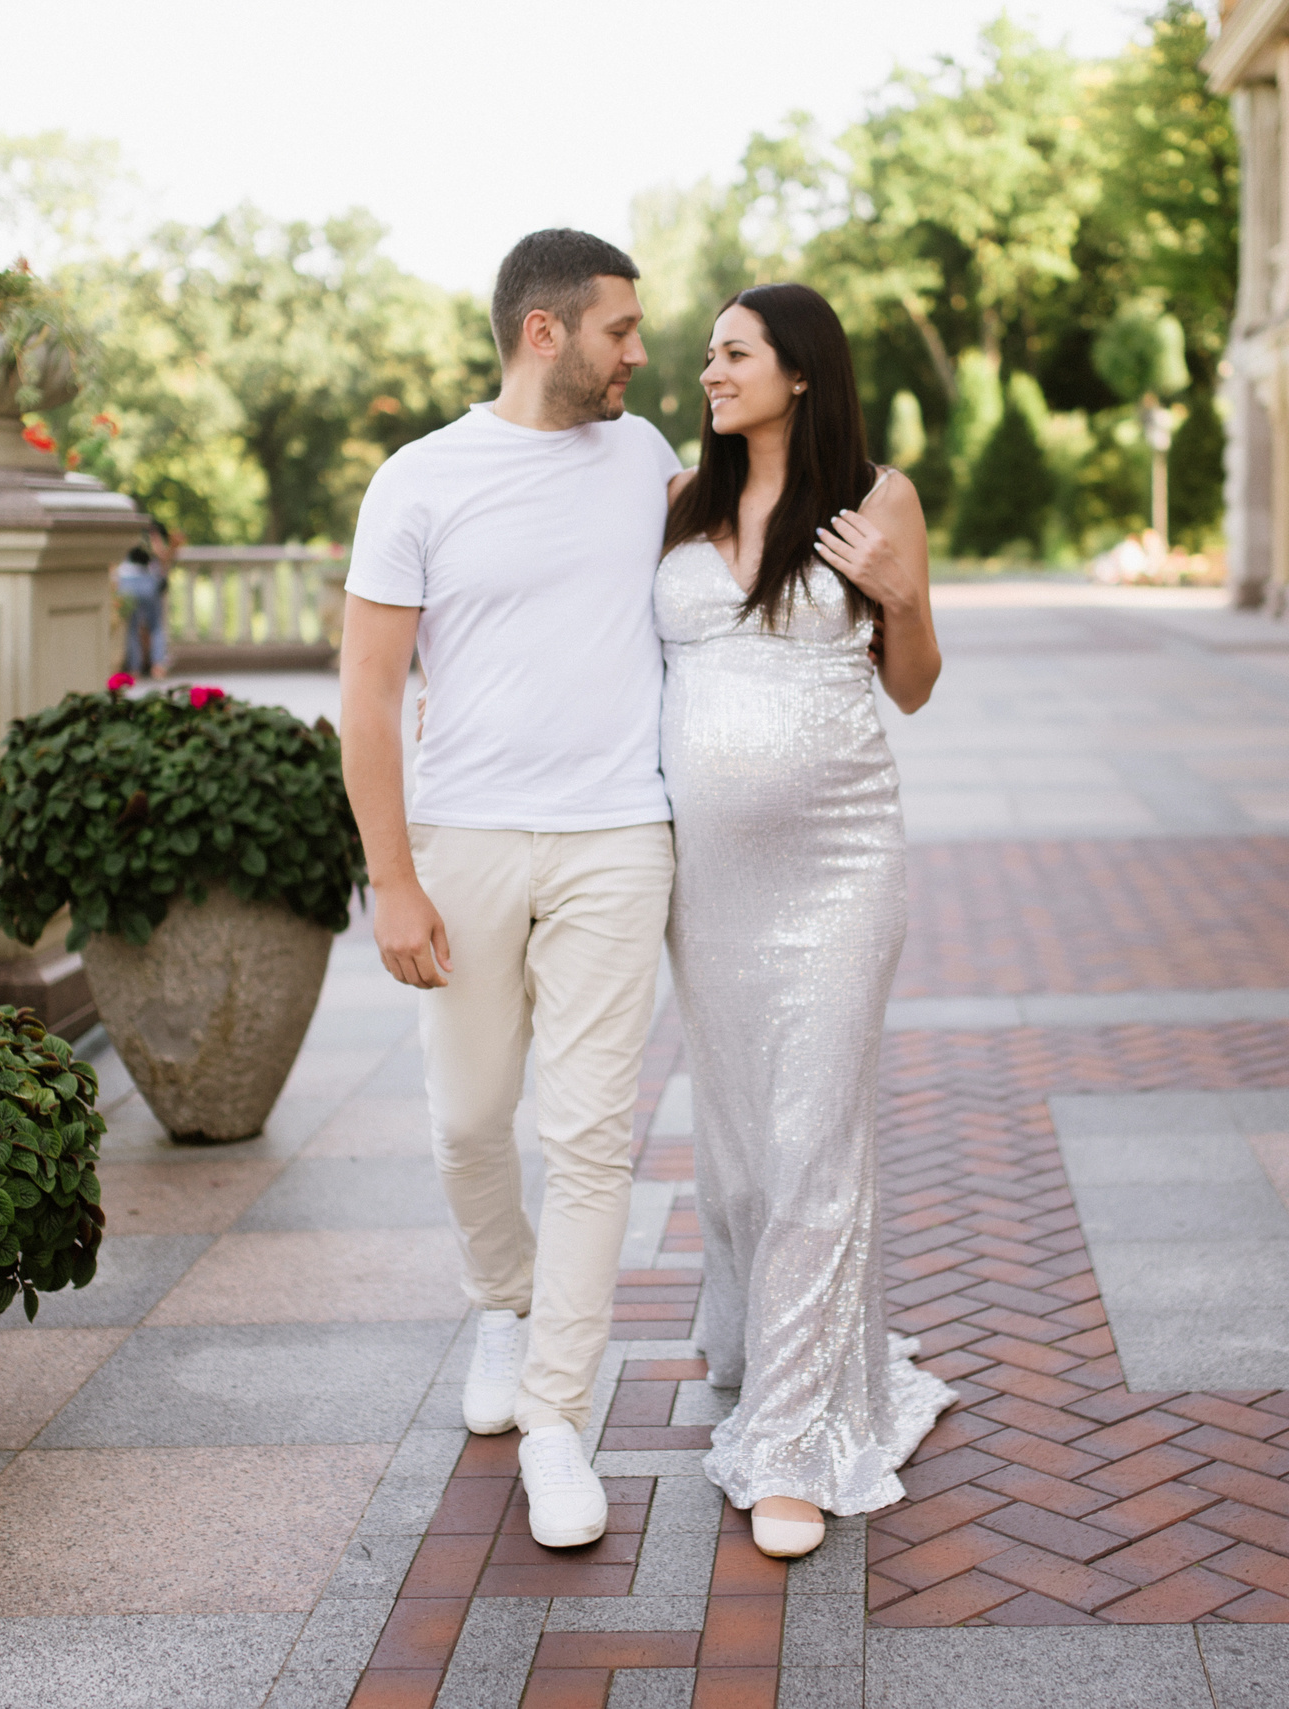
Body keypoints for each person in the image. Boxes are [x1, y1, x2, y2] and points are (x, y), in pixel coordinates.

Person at [339, 229, 681, 1549]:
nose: (638, 352)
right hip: (466, 837)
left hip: (618, 835)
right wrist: (392, 877)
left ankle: (556, 1417)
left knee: (590, 1137)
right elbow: (370, 695)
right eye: (619, 329)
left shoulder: (645, 458)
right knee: (470, 1120)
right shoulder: (419, 480)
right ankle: (503, 1294)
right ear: (546, 331)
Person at [657, 283, 954, 1560]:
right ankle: (766, 1341)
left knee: (814, 1139)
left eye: (734, 353)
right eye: (708, 354)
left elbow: (914, 687)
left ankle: (791, 1443)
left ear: (800, 373)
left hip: (840, 866)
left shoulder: (877, 500)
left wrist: (903, 595)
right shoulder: (681, 499)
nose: (710, 372)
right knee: (736, 1150)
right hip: (707, 885)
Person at [114, 533, 171, 681]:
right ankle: (158, 666)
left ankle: (134, 669)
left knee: (132, 629)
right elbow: (162, 561)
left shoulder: (125, 540)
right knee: (156, 626)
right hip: (149, 582)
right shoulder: (151, 540)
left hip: (127, 585)